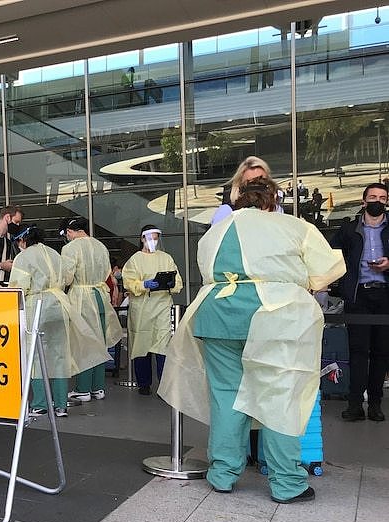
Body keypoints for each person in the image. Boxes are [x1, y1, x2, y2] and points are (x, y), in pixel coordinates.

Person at [158, 178, 345, 503]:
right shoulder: (291, 226)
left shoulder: (215, 231)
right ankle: (287, 483)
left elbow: (206, 270)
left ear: (239, 199)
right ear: (273, 198)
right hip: (275, 318)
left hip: (216, 316)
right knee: (280, 400)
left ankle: (222, 474)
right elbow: (327, 269)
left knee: (227, 398)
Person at [9, 226, 104, 417]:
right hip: (60, 305)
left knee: (36, 357)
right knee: (60, 356)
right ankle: (61, 405)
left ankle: (41, 404)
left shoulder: (23, 257)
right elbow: (66, 279)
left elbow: (18, 288)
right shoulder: (54, 254)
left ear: (22, 240)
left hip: (37, 306)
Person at [330, 183, 389, 422]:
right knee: (357, 352)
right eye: (373, 197)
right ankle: (355, 403)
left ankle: (375, 404)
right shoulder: (348, 229)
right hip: (358, 296)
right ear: (363, 201)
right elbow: (332, 255)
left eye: (382, 197)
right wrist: (343, 280)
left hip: (385, 294)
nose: (378, 201)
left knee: (381, 352)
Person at [60, 217, 123, 402]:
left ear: (70, 231)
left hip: (82, 298)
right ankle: (98, 388)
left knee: (84, 343)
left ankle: (83, 389)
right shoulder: (100, 246)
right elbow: (107, 274)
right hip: (100, 297)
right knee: (100, 343)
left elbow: (68, 277)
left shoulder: (70, 248)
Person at [122, 224, 183, 395]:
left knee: (163, 346)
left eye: (156, 239)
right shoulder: (134, 260)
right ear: (142, 239)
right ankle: (144, 383)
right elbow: (129, 282)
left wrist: (169, 284)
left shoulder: (166, 258)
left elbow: (178, 281)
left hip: (163, 306)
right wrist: (144, 284)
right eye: (150, 238)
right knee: (142, 347)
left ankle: (164, 386)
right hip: (142, 310)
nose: (153, 242)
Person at [211, 156, 271, 226]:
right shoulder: (226, 213)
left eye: (261, 183)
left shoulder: (275, 209)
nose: (256, 189)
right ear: (239, 186)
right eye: (250, 184)